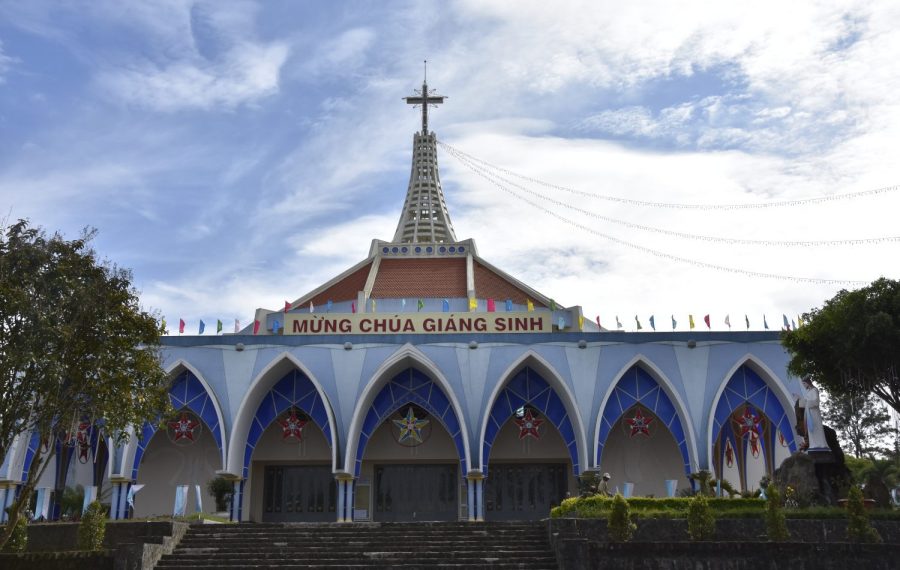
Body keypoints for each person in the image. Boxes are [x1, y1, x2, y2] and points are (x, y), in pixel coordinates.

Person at [795, 377, 827, 449]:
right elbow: (805, 402)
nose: (803, 385)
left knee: (816, 427)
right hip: (809, 412)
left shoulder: (814, 390)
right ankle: (813, 444)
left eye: (804, 384)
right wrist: (799, 399)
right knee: (810, 429)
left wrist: (807, 402)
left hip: (814, 413)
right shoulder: (809, 392)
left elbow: (816, 402)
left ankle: (820, 444)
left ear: (807, 383)